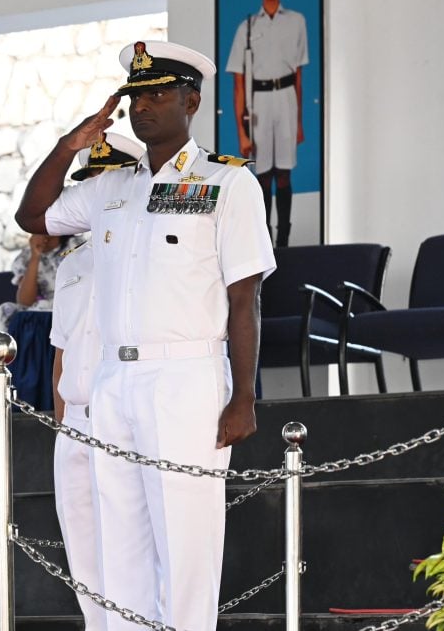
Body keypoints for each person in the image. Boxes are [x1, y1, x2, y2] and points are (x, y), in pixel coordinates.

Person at [15, 40, 276, 631]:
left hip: (186, 378)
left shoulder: (226, 184)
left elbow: (244, 298)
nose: (144, 106)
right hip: (115, 380)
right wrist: (69, 146)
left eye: (159, 93)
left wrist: (243, 396)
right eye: (136, 96)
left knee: (186, 540)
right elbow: (34, 218)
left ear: (192, 100)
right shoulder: (112, 187)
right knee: (121, 540)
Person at [50, 131, 143, 631]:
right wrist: (62, 427)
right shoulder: (72, 265)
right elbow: (60, 354)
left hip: (121, 413)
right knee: (83, 547)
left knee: (128, 544)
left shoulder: (140, 257)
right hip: (76, 421)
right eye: (88, 185)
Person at [225, 0, 309, 247]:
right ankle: (263, 241)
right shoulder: (246, 28)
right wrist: (242, 132)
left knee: (284, 173)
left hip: (286, 98)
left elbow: (298, 75)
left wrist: (298, 122)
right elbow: (238, 82)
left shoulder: (297, 21)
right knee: (261, 175)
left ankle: (284, 239)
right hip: (258, 102)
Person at [0, 231, 78, 410]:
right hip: (41, 309)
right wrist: (35, 256)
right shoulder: (28, 255)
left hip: (72, 305)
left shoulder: (76, 247)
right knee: (6, 311)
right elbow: (24, 300)